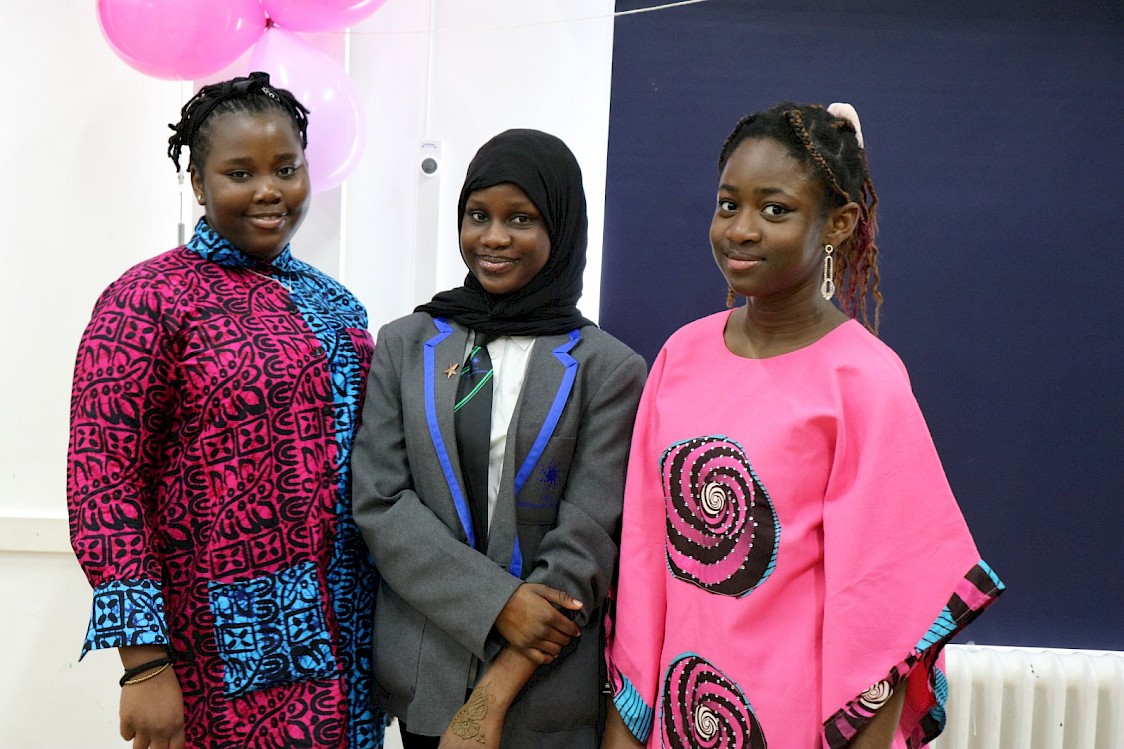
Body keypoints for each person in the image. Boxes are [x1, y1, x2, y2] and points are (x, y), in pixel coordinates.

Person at [601, 102, 1004, 749]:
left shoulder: (863, 380)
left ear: (838, 223)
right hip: (681, 718)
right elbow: (645, 563)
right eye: (728, 204)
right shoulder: (680, 357)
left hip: (797, 723)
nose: (741, 229)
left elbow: (884, 616)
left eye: (775, 209)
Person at [67, 72, 382, 749]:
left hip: (349, 646)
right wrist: (143, 664)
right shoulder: (147, 300)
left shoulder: (338, 305)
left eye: (286, 169)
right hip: (219, 652)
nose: (269, 190)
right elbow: (104, 482)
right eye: (240, 173)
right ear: (198, 183)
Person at [351, 129, 646, 749]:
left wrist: (493, 693)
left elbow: (589, 535)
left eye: (521, 219)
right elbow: (381, 502)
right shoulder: (406, 344)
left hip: (544, 686)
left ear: (561, 227)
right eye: (477, 215)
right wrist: (499, 603)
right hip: (428, 673)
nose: (493, 237)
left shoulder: (608, 368)